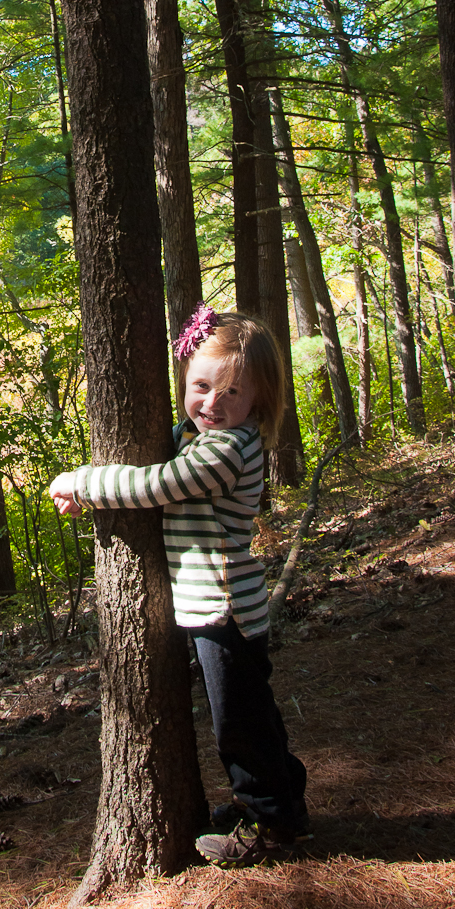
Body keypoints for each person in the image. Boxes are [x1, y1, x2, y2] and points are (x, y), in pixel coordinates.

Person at [49, 306, 308, 868]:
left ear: (257, 402)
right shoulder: (205, 437)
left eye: (233, 393)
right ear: (185, 382)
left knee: (238, 723)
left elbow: (160, 483)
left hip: (225, 611)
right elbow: (174, 446)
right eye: (201, 386)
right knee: (253, 713)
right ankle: (283, 800)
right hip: (219, 609)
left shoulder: (228, 449)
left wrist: (84, 483)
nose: (213, 403)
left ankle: (269, 824)